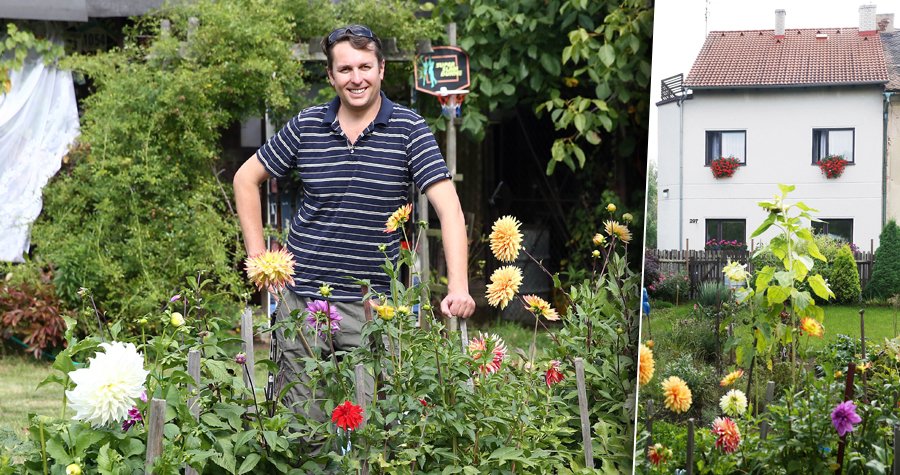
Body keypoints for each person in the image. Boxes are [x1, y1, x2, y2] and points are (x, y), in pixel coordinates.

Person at [233, 25, 475, 426]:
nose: (356, 78)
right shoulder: (306, 125)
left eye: (365, 66)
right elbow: (245, 179)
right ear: (331, 76)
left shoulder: (410, 130)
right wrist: (258, 258)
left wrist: (459, 286)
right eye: (345, 69)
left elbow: (450, 211)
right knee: (301, 429)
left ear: (381, 69)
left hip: (375, 308)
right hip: (304, 303)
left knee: (374, 435)